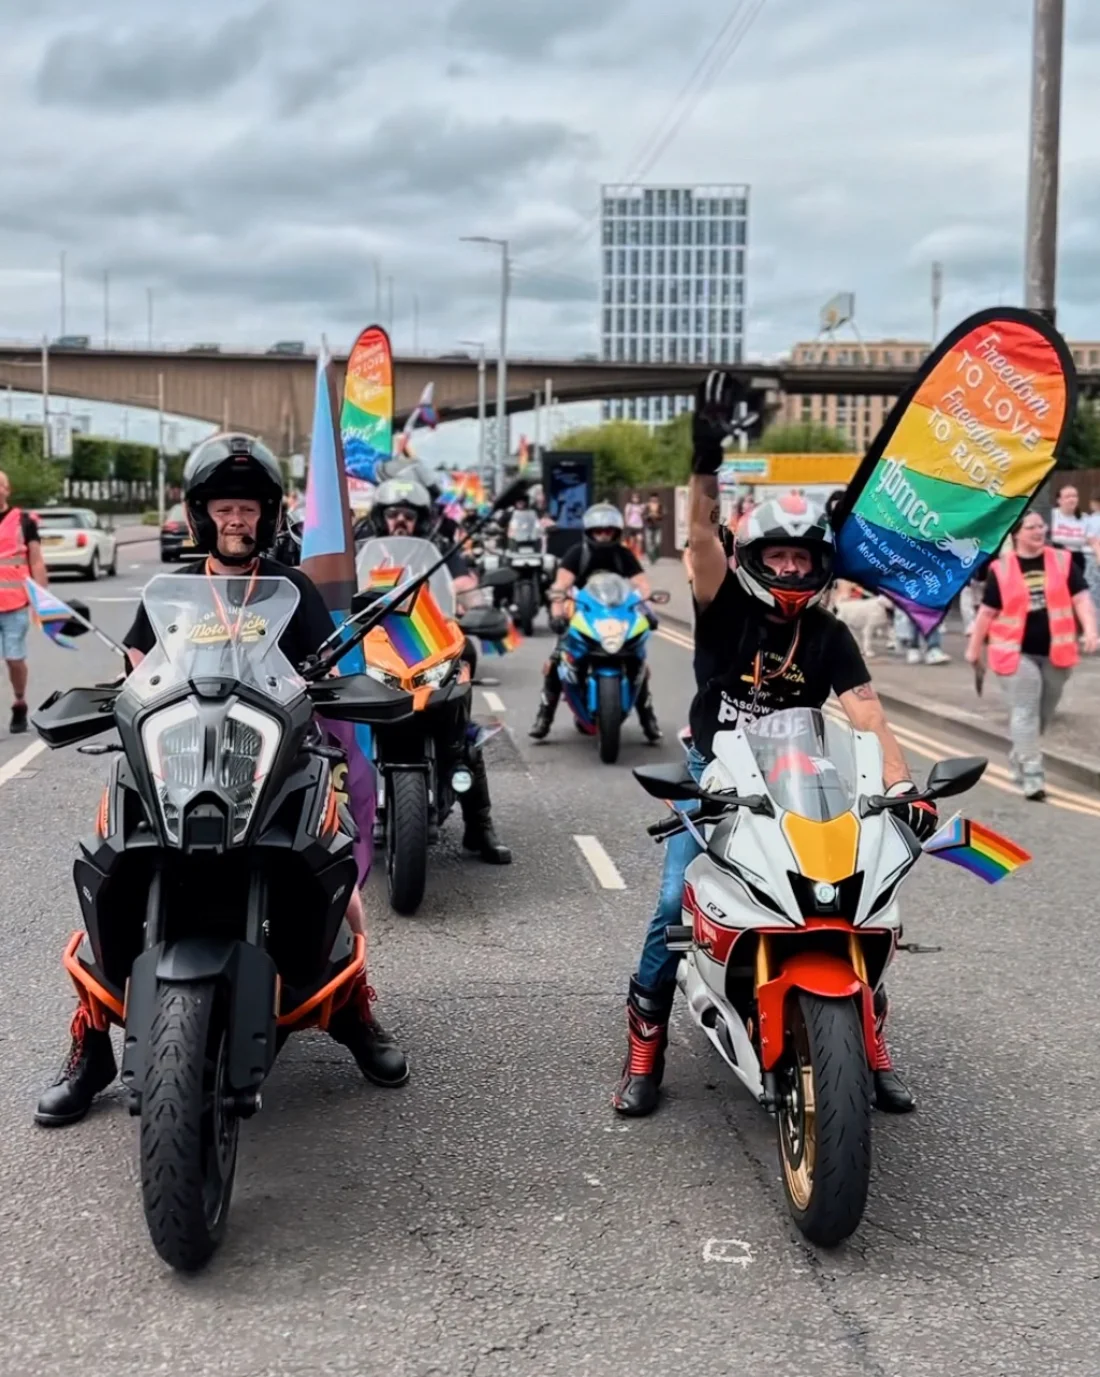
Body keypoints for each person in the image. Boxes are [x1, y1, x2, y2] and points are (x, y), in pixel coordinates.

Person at [35, 435, 409, 1127]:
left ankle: (356, 1012)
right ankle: (90, 1045)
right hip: (177, 757)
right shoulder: (168, 589)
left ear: (268, 518)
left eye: (248, 508)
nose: (236, 520)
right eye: (223, 508)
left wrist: (336, 686)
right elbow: (139, 667)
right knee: (103, 876)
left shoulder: (292, 589)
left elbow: (322, 671)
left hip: (275, 756)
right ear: (201, 515)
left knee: (343, 893)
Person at [613, 372, 941, 1122]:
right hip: (714, 779)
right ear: (754, 557)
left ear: (818, 567)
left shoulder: (829, 635)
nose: (791, 569)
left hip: (803, 778)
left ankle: (868, 1035)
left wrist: (902, 785)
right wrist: (706, 454)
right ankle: (645, 1044)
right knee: (673, 902)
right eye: (778, 556)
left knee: (859, 900)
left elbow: (867, 714)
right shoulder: (723, 608)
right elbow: (699, 539)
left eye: (803, 559)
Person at [367, 477, 511, 864]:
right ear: (381, 517)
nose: (400, 522)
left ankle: (479, 828)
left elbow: (464, 587)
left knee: (467, 740)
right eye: (393, 514)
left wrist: (469, 606)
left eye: (407, 515)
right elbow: (335, 587)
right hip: (376, 644)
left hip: (430, 643)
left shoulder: (443, 551)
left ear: (420, 519)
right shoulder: (361, 550)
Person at [966, 510, 1097, 801]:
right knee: (1025, 710)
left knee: (1042, 716)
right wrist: (974, 648)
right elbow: (987, 613)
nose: (1039, 531)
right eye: (1032, 527)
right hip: (1013, 653)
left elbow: (1082, 598)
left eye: (1042, 526)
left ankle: (1019, 753)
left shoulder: (1061, 560)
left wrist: (1090, 630)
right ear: (1017, 534)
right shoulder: (1001, 569)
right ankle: (1033, 775)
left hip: (1057, 652)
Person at [529, 503, 662, 742]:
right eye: (598, 530)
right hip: (583, 614)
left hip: (617, 615)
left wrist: (648, 612)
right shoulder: (577, 554)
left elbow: (642, 586)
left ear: (616, 532)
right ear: (590, 532)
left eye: (608, 531)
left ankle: (648, 719)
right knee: (557, 662)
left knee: (637, 659)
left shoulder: (624, 555)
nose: (603, 535)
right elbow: (560, 587)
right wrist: (558, 614)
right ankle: (543, 717)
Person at [0, 469, 49, 734]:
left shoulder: (23, 521)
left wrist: (42, 598)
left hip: (15, 604)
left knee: (13, 658)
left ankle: (19, 701)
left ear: (7, 490)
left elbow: (36, 559)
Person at [1050, 484, 1090, 576]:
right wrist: (1078, 541)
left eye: (1074, 496)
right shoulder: (1052, 515)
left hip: (1077, 558)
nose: (1072, 499)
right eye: (1067, 496)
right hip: (1055, 556)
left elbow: (1090, 541)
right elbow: (1048, 538)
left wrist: (1060, 539)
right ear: (1059, 500)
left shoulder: (1085, 518)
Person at [643, 491, 664, 564]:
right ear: (650, 498)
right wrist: (649, 515)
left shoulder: (660, 505)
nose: (654, 499)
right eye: (652, 498)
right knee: (649, 543)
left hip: (657, 526)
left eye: (655, 498)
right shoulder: (647, 506)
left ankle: (656, 555)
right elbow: (643, 515)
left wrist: (657, 515)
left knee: (658, 542)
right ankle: (651, 558)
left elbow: (663, 515)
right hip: (648, 526)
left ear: (657, 498)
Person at [624, 492, 645, 558]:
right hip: (631, 524)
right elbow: (626, 514)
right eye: (634, 497)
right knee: (632, 541)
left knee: (640, 539)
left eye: (637, 498)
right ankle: (631, 553)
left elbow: (641, 513)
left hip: (639, 525)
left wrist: (643, 508)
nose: (635, 499)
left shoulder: (641, 506)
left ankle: (638, 553)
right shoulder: (629, 505)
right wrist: (626, 522)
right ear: (631, 498)